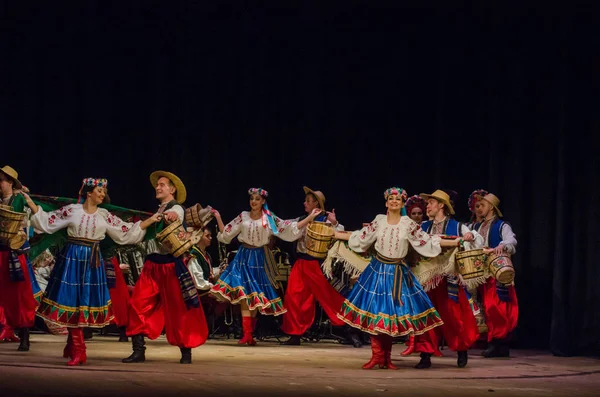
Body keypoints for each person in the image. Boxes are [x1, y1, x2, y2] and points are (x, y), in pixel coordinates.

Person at [25, 177, 156, 365]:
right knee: (72, 301)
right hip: (72, 259)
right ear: (89, 193)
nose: (102, 194)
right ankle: (78, 348)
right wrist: (30, 203)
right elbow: (48, 221)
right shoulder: (73, 211)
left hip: (92, 261)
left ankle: (76, 346)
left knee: (83, 304)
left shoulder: (104, 215)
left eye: (103, 192)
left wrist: (150, 220)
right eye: (99, 191)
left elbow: (124, 231)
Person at [335, 187, 459, 370]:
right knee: (377, 314)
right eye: (391, 198)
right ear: (386, 202)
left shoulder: (407, 223)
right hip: (377, 272)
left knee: (392, 317)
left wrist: (455, 242)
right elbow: (360, 238)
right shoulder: (379, 221)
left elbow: (428, 241)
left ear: (401, 204)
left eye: (398, 199)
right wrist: (336, 233)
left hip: (398, 273)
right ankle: (377, 356)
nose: (394, 201)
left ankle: (387, 358)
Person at [210, 187, 321, 346]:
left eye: (257, 199)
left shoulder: (268, 219)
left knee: (254, 296)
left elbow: (288, 228)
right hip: (243, 256)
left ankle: (249, 334)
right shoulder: (243, 216)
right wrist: (218, 217)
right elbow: (226, 233)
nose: (253, 202)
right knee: (244, 295)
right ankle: (247, 334)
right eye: (252, 199)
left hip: (258, 258)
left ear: (263, 201)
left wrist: (309, 218)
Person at [123, 171, 209, 364]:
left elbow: (176, 215)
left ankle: (186, 351)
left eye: (162, 184)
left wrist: (171, 215)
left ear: (172, 189)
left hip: (171, 266)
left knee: (180, 309)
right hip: (152, 265)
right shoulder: (157, 212)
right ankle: (138, 350)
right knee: (137, 303)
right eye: (157, 185)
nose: (158, 187)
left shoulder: (175, 208)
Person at [411, 189, 483, 368]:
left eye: (431, 203)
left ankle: (461, 350)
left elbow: (478, 240)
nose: (427, 206)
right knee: (425, 316)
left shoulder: (457, 227)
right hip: (427, 281)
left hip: (449, 280)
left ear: (441, 205)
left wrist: (471, 235)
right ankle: (425, 355)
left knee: (454, 316)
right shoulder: (423, 227)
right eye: (428, 204)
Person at [280, 186, 348, 346]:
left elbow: (341, 234)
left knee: (331, 298)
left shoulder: (326, 221)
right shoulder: (301, 220)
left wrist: (335, 222)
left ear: (317, 205)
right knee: (293, 297)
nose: (305, 203)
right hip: (301, 263)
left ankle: (350, 328)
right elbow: (288, 232)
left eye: (309, 201)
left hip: (319, 265)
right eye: (306, 200)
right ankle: (295, 334)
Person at [0, 165, 42, 351]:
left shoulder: (20, 200)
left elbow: (36, 217)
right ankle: (6, 328)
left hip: (15, 254)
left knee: (21, 295)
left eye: (1, 180)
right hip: (0, 251)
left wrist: (26, 198)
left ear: (10, 182)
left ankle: (25, 334)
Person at [472, 192, 518, 358]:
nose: (479, 209)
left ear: (491, 207)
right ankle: (495, 342)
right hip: (482, 274)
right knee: (487, 308)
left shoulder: (501, 225)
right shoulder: (476, 227)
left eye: (482, 205)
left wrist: (502, 245)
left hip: (498, 273)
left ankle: (500, 342)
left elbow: (511, 240)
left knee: (497, 307)